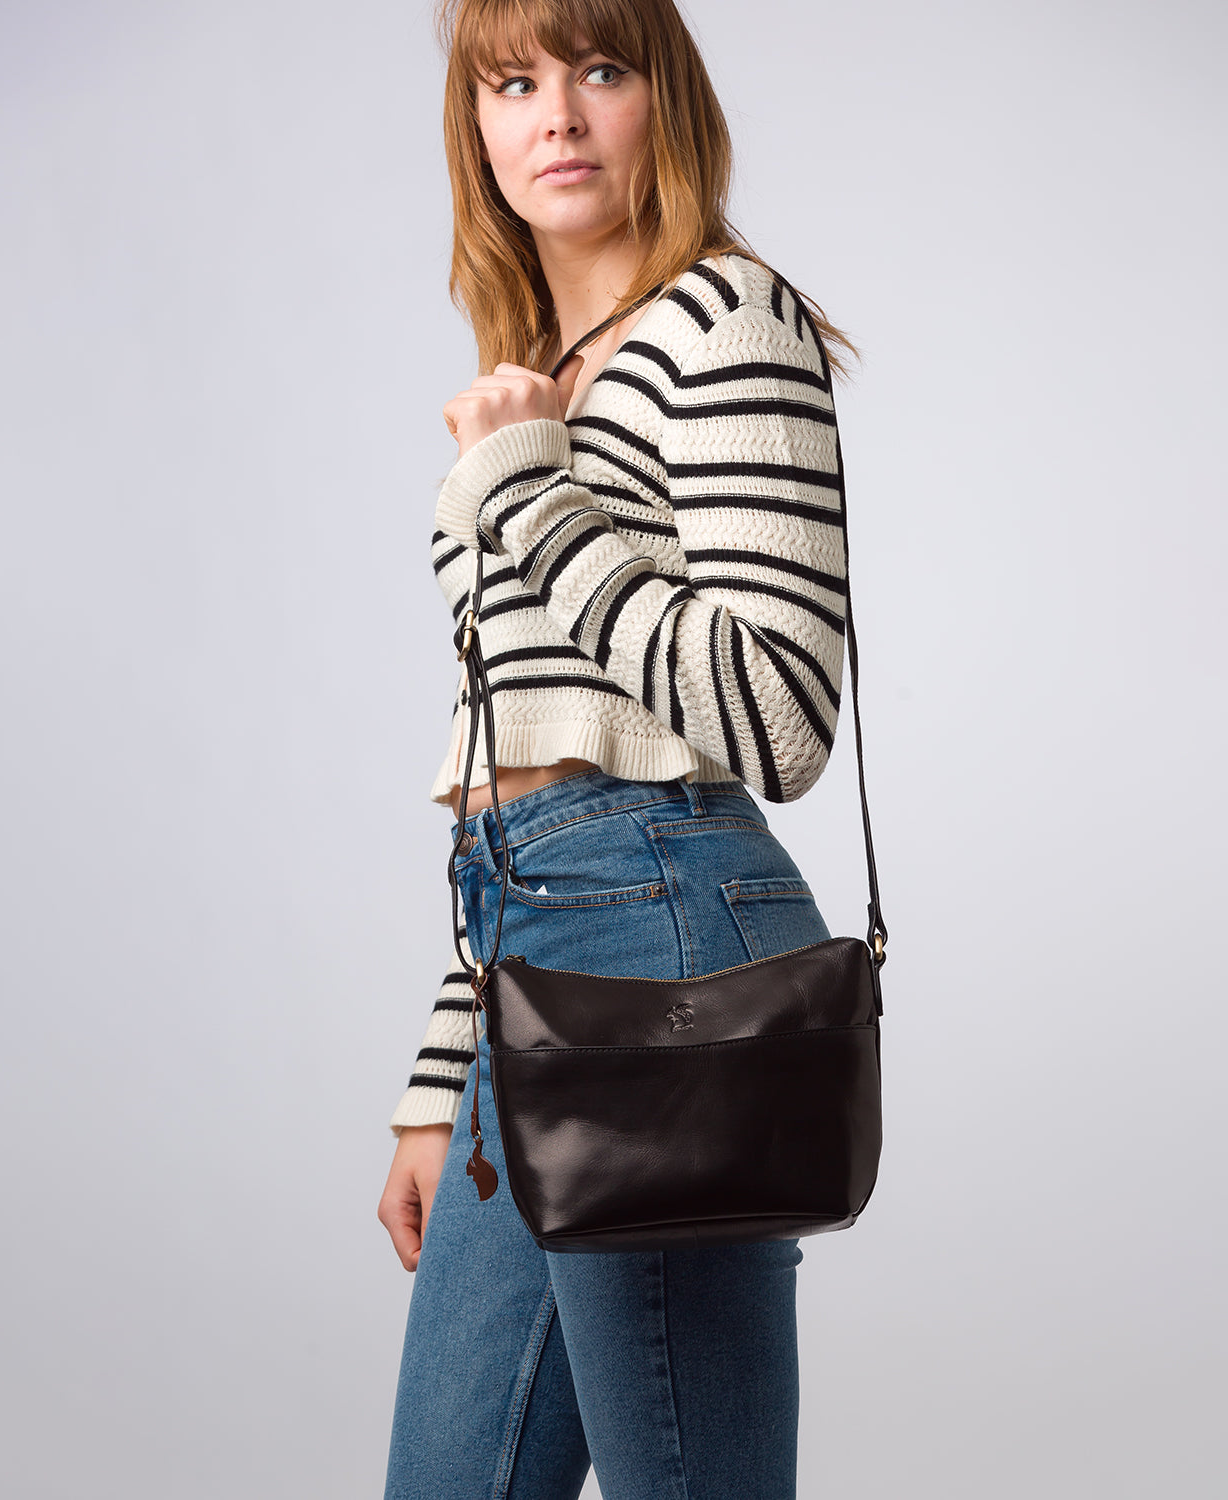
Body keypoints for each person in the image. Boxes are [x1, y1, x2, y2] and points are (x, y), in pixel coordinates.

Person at [377, 1, 860, 1494]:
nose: (558, 117)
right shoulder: (535, 365)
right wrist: (444, 1074)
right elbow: (513, 761)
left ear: (668, 99)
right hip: (528, 957)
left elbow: (778, 716)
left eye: (599, 69)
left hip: (670, 947)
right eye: (512, 82)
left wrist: (528, 493)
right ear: (476, 126)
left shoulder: (725, 323)